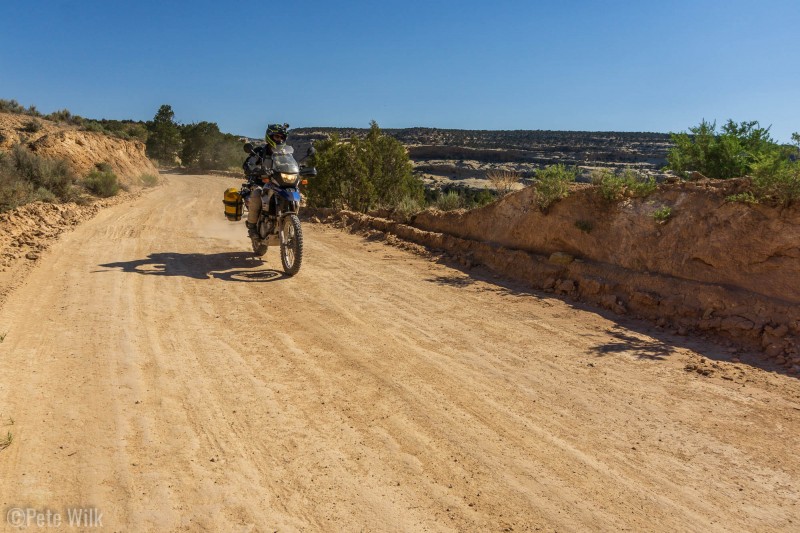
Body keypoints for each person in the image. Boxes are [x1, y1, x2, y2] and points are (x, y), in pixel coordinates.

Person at [243, 123, 289, 237]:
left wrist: (300, 169)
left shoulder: (285, 153)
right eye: (277, 136)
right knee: (257, 194)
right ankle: (252, 227)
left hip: (278, 182)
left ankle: (289, 222)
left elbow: (291, 164)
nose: (279, 139)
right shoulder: (260, 151)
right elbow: (249, 164)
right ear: (270, 136)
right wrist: (252, 169)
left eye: (281, 137)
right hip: (261, 182)